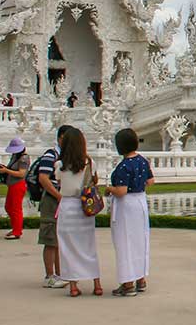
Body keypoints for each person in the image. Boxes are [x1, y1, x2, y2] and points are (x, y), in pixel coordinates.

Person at [54, 127, 102, 297]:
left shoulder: (59, 165)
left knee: (68, 248)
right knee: (88, 246)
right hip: (84, 207)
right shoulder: (89, 162)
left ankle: (73, 286)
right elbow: (95, 180)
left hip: (67, 206)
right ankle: (96, 283)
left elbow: (59, 181)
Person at [107, 128, 154, 297]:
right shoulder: (143, 161)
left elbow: (121, 191)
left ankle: (128, 283)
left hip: (126, 205)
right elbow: (151, 181)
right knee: (140, 240)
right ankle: (140, 278)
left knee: (124, 242)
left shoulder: (123, 166)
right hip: (140, 201)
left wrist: (109, 189)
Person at [38, 125, 71, 288]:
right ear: (61, 138)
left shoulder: (63, 156)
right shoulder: (51, 155)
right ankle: (49, 276)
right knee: (50, 238)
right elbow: (43, 178)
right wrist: (59, 196)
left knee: (58, 239)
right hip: (52, 200)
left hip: (60, 199)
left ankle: (59, 273)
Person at [0, 137, 30, 240]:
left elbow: (21, 174)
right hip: (12, 184)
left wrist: (6, 171)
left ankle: (17, 231)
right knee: (9, 207)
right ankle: (15, 227)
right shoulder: (15, 156)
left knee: (16, 208)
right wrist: (5, 168)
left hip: (18, 184)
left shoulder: (24, 158)